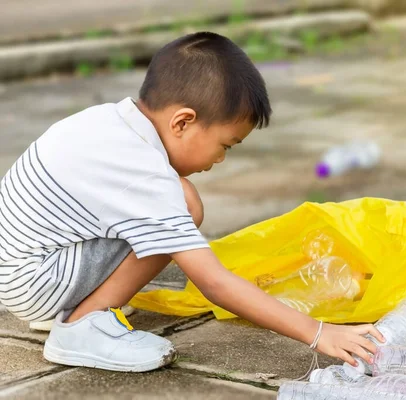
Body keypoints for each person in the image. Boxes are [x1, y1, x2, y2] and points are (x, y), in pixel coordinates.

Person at [0, 32, 384, 372]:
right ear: (182, 122)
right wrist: (320, 333)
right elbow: (214, 282)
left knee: (181, 196)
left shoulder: (109, 122)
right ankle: (83, 324)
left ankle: (78, 308)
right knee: (183, 206)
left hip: (23, 269)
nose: (220, 160)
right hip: (36, 282)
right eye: (225, 146)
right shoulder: (143, 174)